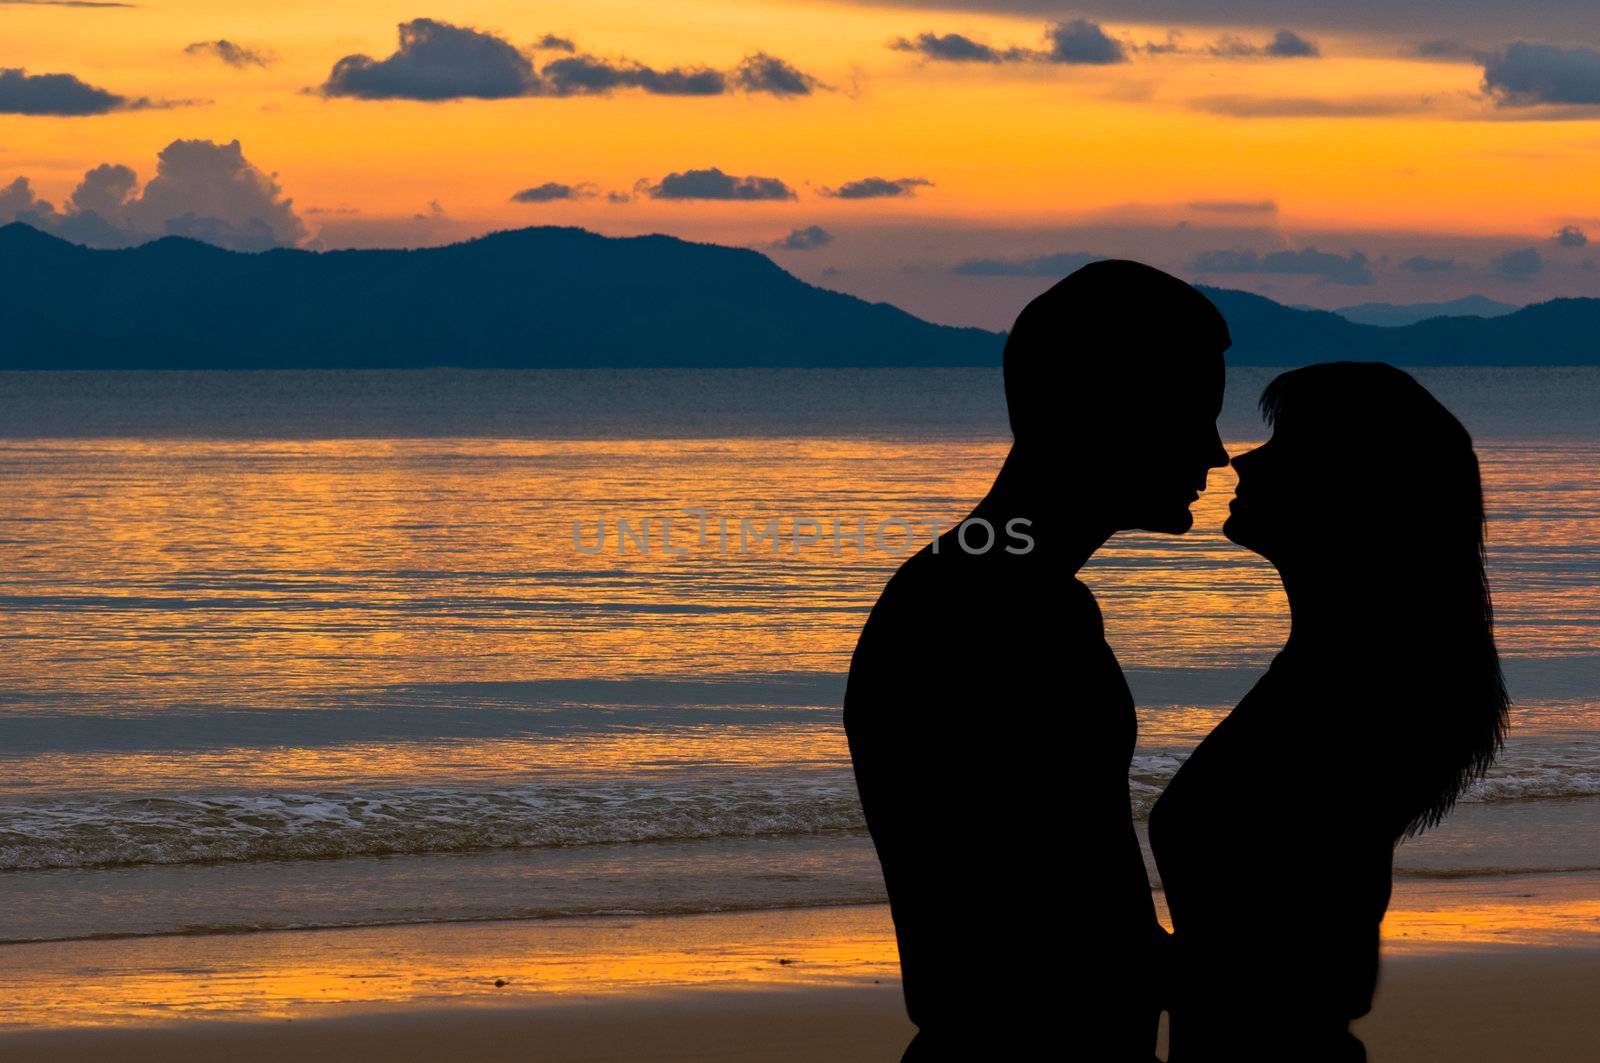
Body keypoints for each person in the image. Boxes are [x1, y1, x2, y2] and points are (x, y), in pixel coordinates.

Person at [843, 260, 1231, 1060]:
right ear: (1106, 414)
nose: (1218, 452)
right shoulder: (991, 611)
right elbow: (1034, 921)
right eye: (1194, 414)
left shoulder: (1010, 594)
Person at [1149, 361, 1510, 1062]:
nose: (1242, 461)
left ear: (1350, 487)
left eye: (1284, 445)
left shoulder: (1352, 700)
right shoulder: (1345, 679)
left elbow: (1290, 962)